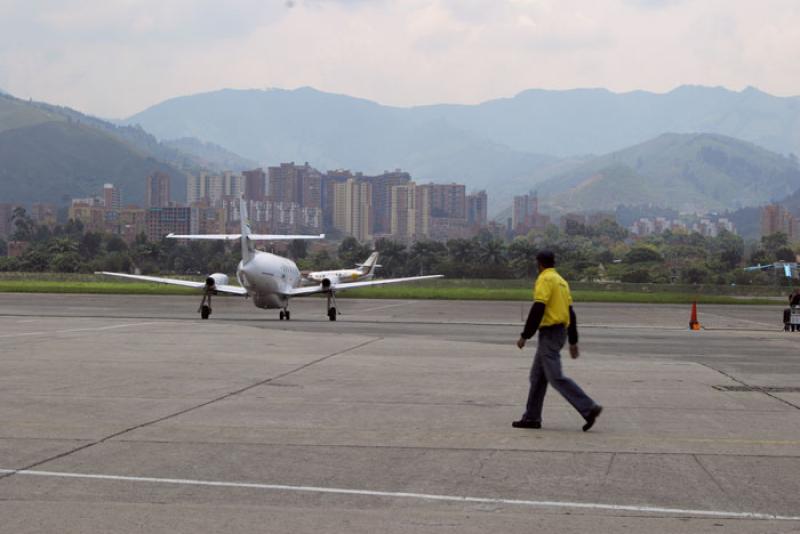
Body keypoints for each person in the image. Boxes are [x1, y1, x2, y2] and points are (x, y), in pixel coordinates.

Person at [514, 250, 602, 432]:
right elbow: (570, 313)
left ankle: (588, 407)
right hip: (559, 332)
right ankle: (531, 418)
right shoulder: (562, 281)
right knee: (537, 378)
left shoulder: (545, 279)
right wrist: (573, 340)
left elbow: (538, 307)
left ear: (539, 263)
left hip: (550, 333)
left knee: (555, 377)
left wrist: (525, 335)